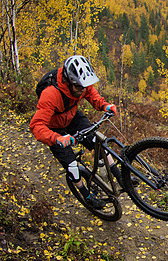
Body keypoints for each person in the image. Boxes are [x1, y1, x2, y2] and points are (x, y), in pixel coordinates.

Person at [30, 55, 124, 210]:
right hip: (55, 129)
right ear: (69, 81)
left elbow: (93, 96)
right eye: (79, 87)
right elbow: (36, 126)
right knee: (72, 165)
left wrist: (105, 106)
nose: (82, 91)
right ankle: (86, 196)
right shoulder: (50, 94)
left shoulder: (82, 85)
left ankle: (121, 178)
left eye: (84, 86)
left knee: (98, 143)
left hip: (73, 117)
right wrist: (56, 138)